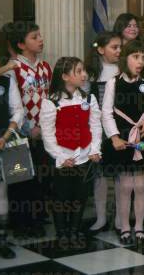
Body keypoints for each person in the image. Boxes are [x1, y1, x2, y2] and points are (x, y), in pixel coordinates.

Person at [101, 40, 144, 245]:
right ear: (125, 58)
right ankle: (125, 227)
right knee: (125, 186)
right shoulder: (113, 82)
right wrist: (114, 136)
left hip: (143, 136)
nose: (140, 61)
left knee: (141, 186)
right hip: (123, 138)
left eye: (143, 57)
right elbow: (106, 113)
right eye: (136, 57)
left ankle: (139, 227)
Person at [40, 57, 102, 243]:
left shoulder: (88, 99)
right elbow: (48, 134)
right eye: (79, 71)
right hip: (64, 157)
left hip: (84, 156)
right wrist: (59, 156)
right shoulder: (52, 102)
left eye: (83, 70)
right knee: (61, 197)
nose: (84, 75)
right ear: (65, 76)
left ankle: (74, 230)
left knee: (80, 195)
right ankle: (62, 232)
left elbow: (95, 126)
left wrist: (95, 149)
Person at [9, 21, 52, 237]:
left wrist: (44, 127)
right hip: (19, 133)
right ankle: (19, 223)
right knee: (19, 177)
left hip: (43, 133)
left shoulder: (45, 67)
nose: (41, 39)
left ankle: (36, 220)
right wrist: (28, 127)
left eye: (40, 35)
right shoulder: (13, 67)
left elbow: (49, 99)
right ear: (20, 44)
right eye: (34, 37)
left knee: (39, 178)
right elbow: (13, 103)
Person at [84, 32, 122, 234]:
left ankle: (118, 219)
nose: (119, 51)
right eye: (114, 47)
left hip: (117, 129)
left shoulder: (122, 70)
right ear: (100, 49)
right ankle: (100, 218)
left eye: (120, 47)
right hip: (97, 131)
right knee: (99, 176)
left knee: (118, 175)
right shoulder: (90, 73)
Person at [0, 42, 24, 259]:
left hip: (2, 142)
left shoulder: (7, 80)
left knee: (0, 192)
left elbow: (17, 110)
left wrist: (6, 135)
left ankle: (1, 239)